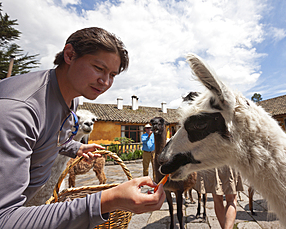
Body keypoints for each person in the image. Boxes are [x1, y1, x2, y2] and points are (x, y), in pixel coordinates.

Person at [0, 27, 165, 229]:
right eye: (98, 68)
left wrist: (74, 148)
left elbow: (48, 134)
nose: (105, 82)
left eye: (112, 74)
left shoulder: (73, 99)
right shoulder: (17, 111)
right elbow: (4, 218)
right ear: (69, 55)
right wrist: (109, 200)